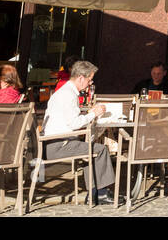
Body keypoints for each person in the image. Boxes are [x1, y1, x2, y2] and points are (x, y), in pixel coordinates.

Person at [41, 60, 114, 205]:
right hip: (58, 144)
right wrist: (93, 113)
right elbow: (74, 123)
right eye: (89, 79)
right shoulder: (68, 94)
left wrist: (88, 113)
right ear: (81, 78)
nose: (90, 83)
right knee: (100, 150)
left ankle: (95, 192)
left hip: (54, 142)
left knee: (89, 151)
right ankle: (102, 193)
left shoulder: (65, 91)